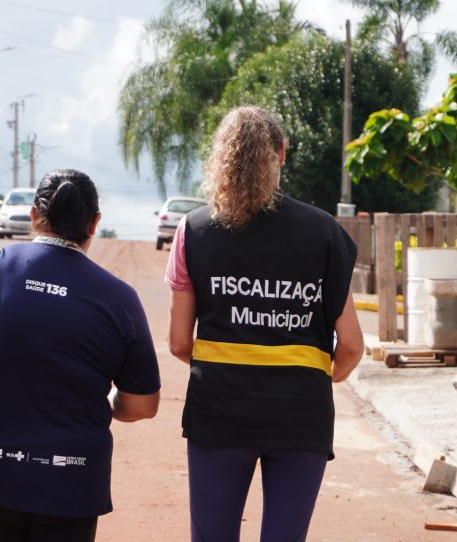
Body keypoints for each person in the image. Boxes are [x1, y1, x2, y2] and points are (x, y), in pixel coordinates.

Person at [165, 106, 364, 542]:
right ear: (282, 153)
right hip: (301, 413)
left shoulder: (193, 230)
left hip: (219, 411)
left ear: (222, 156)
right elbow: (351, 346)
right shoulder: (324, 232)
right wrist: (311, 379)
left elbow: (179, 342)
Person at [0, 169, 161, 542]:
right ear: (94, 223)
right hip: (73, 482)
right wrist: (105, 402)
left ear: (34, 215)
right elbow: (142, 406)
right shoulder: (120, 298)